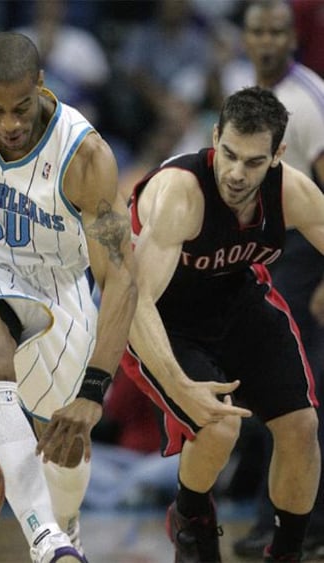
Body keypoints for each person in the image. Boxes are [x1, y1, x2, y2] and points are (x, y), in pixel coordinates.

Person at [0, 31, 138, 563]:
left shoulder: (85, 156)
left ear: (41, 85)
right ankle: (46, 540)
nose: (10, 123)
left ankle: (66, 522)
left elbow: (122, 278)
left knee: (64, 441)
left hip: (55, 280)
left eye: (20, 108)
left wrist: (94, 390)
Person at [120, 85, 324, 562]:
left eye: (253, 162)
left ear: (278, 155)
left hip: (235, 301)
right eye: (228, 154)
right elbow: (135, 301)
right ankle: (191, 520)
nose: (236, 173)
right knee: (217, 425)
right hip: (159, 316)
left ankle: (288, 553)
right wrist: (178, 385)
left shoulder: (291, 192)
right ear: (215, 136)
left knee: (301, 426)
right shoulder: (180, 194)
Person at [232, 1, 324, 558]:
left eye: (276, 32)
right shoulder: (244, 92)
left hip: (302, 259)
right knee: (269, 395)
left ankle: (303, 526)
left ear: (293, 38)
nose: (266, 41)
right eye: (257, 31)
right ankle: (274, 518)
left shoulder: (310, 99)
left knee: (301, 397)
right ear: (245, 37)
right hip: (260, 258)